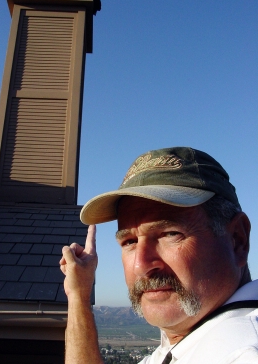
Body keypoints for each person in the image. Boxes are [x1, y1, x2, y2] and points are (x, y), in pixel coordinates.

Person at [60, 147, 258, 364]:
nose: (141, 265)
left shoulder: (243, 353)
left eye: (170, 234)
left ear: (238, 240)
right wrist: (79, 295)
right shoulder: (185, 344)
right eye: (130, 241)